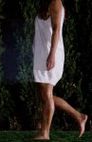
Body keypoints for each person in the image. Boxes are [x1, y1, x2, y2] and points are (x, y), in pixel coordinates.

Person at [32, 0, 88, 140]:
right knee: (45, 95)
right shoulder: (47, 4)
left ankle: (45, 133)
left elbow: (56, 30)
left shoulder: (55, 2)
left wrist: (52, 55)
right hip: (41, 54)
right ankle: (79, 116)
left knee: (46, 94)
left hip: (50, 54)